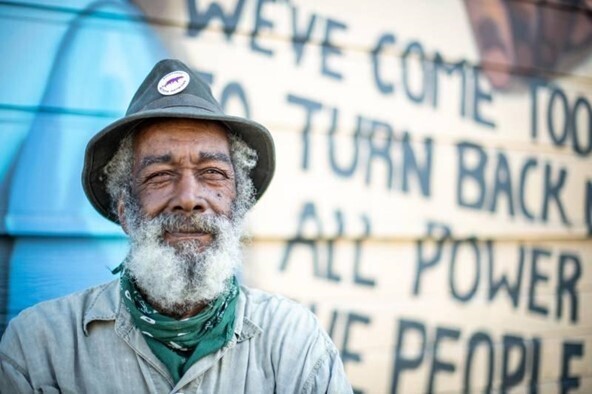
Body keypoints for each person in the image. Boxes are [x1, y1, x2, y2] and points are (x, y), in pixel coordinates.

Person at [0, 59, 352, 393]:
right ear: (126, 211)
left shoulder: (294, 342)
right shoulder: (39, 347)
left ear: (237, 206)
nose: (188, 197)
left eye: (212, 173)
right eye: (160, 175)